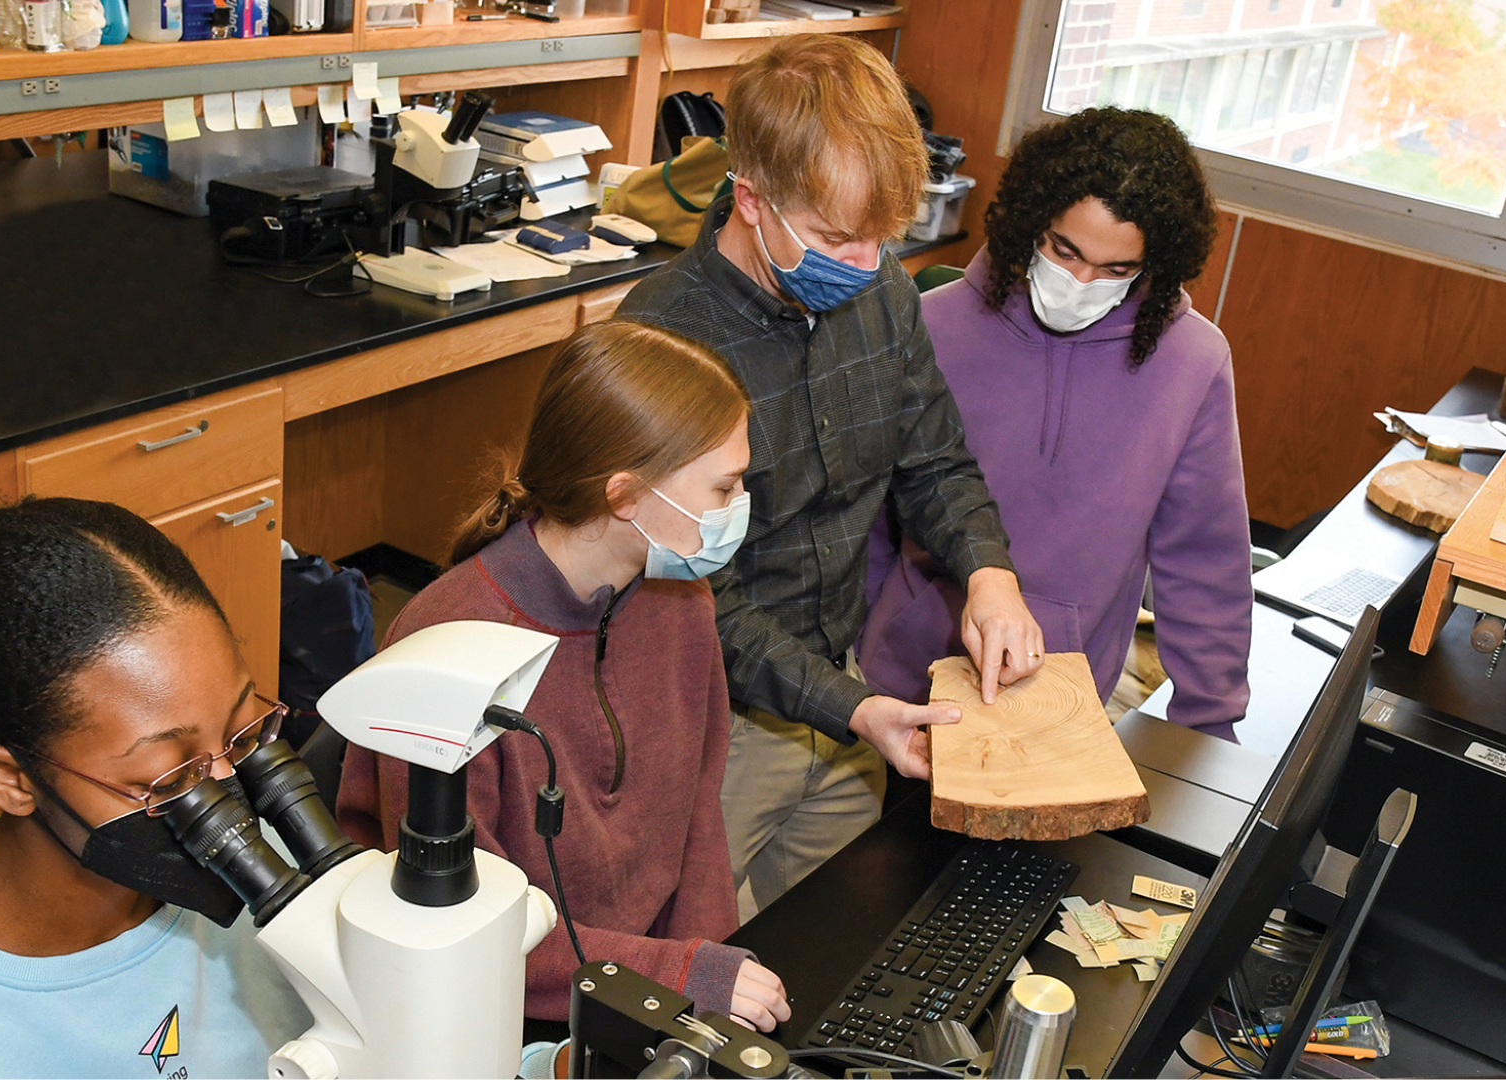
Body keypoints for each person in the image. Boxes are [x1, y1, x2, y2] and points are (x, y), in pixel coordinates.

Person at [617, 33, 1044, 916]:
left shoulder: (877, 290)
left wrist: (991, 576)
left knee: (821, 943)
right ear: (750, 200)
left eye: (880, 239)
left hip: (847, 694)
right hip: (711, 722)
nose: (865, 266)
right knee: (690, 966)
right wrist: (852, 708)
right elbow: (695, 599)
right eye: (836, 239)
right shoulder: (663, 342)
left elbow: (933, 458)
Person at [335, 320, 791, 1032]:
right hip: (496, 1011)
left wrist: (707, 969)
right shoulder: (445, 648)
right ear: (626, 496)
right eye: (724, 486)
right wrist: (675, 978)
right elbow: (462, 937)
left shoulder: (683, 606)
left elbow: (699, 813)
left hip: (639, 993)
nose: (737, 510)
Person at [0, 489, 310, 1077]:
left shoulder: (262, 855)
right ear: (10, 780)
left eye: (240, 731)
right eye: (174, 775)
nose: (227, 791)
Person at [859, 107, 1251, 741]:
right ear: (1030, 221)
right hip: (904, 685)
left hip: (1063, 702)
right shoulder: (931, 325)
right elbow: (871, 510)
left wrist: (1208, 723)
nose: (1081, 282)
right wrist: (872, 632)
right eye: (1064, 250)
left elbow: (1204, 558)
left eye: (1117, 270)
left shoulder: (1193, 363)